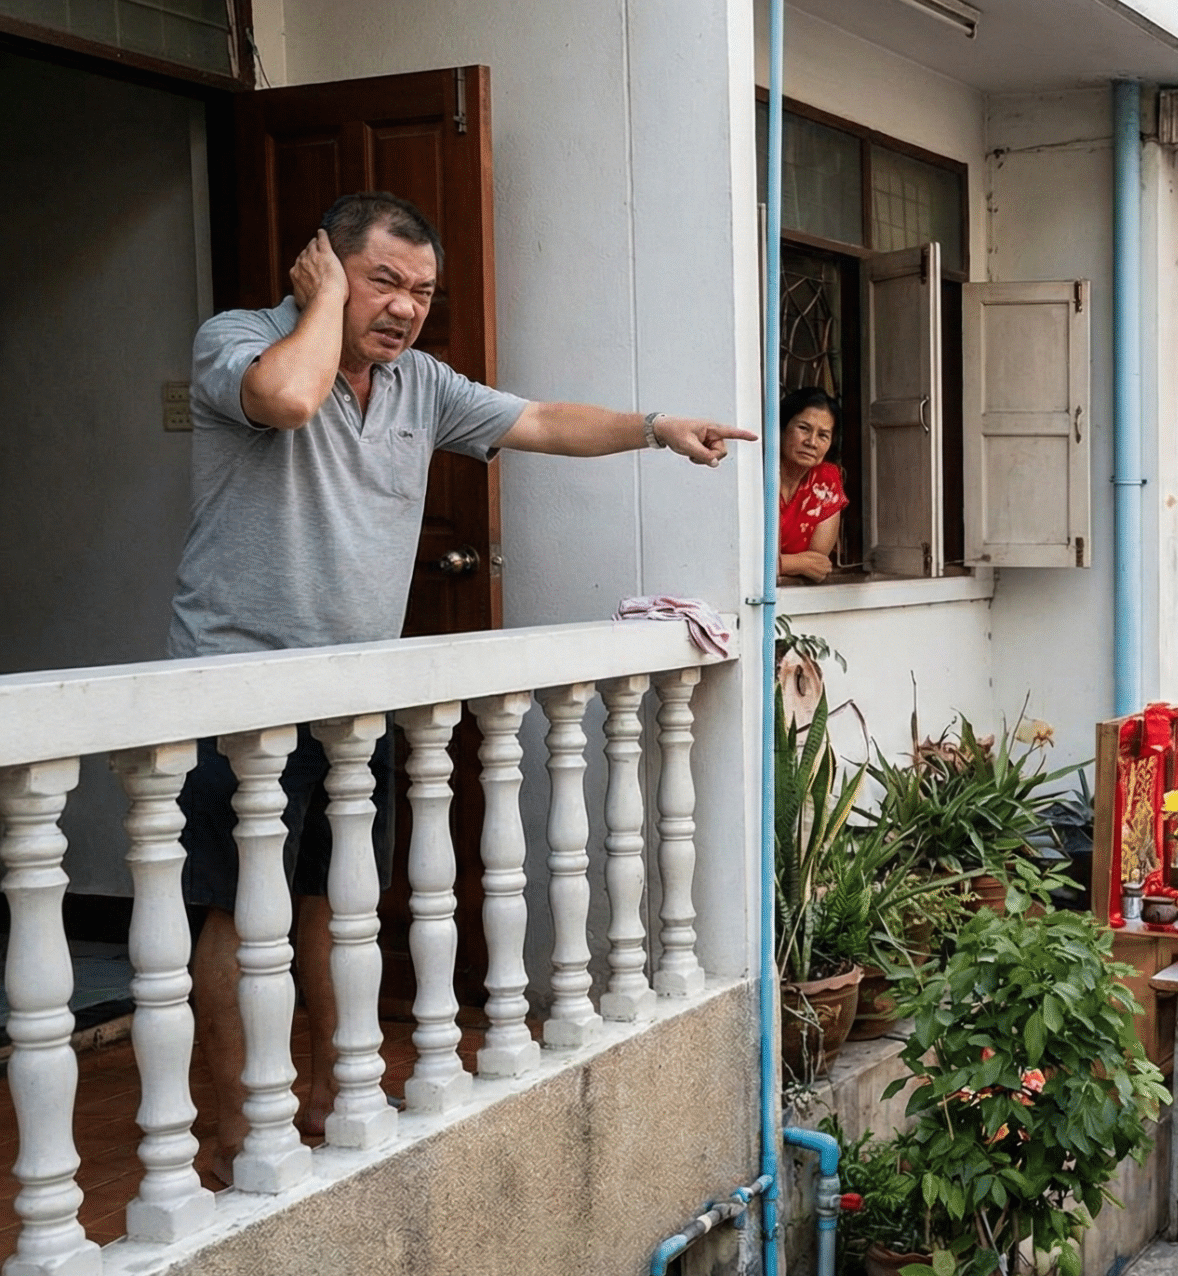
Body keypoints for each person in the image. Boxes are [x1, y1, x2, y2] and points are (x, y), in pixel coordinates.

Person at [174, 191, 755, 1180]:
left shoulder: (421, 384)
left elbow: (540, 420)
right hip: (238, 691)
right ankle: (233, 1127)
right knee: (234, 914)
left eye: (423, 292)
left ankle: (323, 1090)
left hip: (354, 698)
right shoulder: (240, 340)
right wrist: (318, 310)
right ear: (322, 266)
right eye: (383, 281)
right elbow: (287, 400)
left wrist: (655, 426)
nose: (405, 308)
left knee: (325, 900)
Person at [776, 386, 847, 584]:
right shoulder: (757, 474)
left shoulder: (826, 479)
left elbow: (817, 565)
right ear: (781, 428)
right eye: (804, 429)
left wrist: (777, 564)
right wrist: (793, 564)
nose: (812, 442)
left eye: (823, 435)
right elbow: (741, 561)